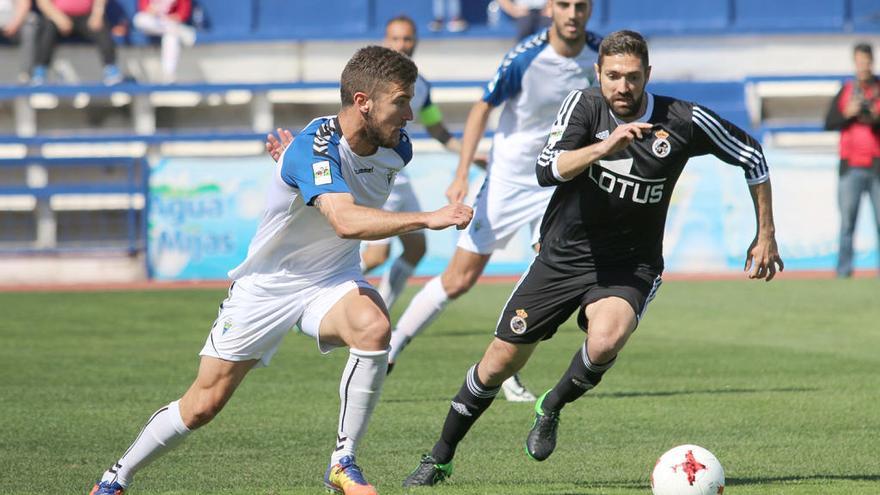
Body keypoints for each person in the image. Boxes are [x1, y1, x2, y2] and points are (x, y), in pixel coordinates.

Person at [402, 30, 784, 487]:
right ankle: (440, 456)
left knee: (606, 340)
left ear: (648, 76)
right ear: (598, 73)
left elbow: (751, 154)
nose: (622, 87)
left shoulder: (682, 119)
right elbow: (547, 169)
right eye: (613, 76)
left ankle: (552, 405)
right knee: (498, 363)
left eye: (633, 77)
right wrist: (605, 147)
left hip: (630, 264)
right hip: (562, 256)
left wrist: (765, 234)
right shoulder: (583, 106)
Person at [87, 46, 473, 495]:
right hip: (268, 287)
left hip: (331, 280)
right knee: (202, 406)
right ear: (363, 101)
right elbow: (345, 221)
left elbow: (338, 190)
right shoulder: (311, 150)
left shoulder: (395, 148)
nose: (409, 115)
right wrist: (428, 217)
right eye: (401, 102)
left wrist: (298, 175)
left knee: (373, 326)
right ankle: (115, 479)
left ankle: (343, 463)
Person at [387, 0, 602, 402]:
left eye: (581, 6)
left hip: (557, 182)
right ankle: (393, 347)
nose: (572, 14)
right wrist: (460, 173)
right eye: (564, 5)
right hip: (508, 179)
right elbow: (481, 107)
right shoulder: (525, 57)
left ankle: (505, 367)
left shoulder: (601, 55)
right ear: (551, 9)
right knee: (459, 278)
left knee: (546, 276)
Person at [359, 15, 488, 313]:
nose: (402, 44)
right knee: (377, 256)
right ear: (385, 41)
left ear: (415, 41)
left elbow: (438, 131)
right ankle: (320, 293)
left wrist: (469, 155)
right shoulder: (371, 84)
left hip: (398, 178)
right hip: (375, 176)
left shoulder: (421, 87)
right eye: (396, 38)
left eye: (407, 38)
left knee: (417, 249)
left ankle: (382, 310)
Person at [824, 42, 880, 278]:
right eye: (859, 62)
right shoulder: (846, 90)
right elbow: (828, 122)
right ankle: (844, 271)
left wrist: (875, 118)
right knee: (847, 224)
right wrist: (847, 112)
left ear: (872, 62)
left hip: (877, 166)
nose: (863, 66)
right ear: (854, 63)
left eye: (866, 62)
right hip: (850, 167)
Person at [32, 0, 123, 85]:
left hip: (86, 16)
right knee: (47, 28)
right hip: (57, 16)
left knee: (101, 28)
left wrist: (97, 14)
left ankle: (111, 69)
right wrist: (58, 18)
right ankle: (40, 71)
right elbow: (43, 2)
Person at [132, 0, 196, 83]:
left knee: (171, 36)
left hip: (170, 23)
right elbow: (145, 11)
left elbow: (181, 15)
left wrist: (166, 19)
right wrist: (155, 9)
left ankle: (168, 75)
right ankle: (179, 31)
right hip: (153, 25)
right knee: (139, 19)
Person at [0, 0, 38, 82]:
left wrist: (14, 24)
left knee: (29, 28)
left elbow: (24, 4)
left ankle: (25, 75)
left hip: (13, 19)